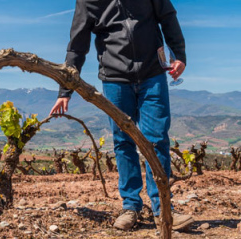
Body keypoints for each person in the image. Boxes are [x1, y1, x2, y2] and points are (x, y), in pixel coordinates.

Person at [49, 0, 194, 231]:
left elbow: (168, 17)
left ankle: (163, 209)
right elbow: (77, 45)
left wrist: (180, 55)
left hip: (153, 74)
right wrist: (65, 90)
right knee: (123, 142)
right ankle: (131, 207)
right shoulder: (88, 2)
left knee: (157, 140)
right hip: (114, 79)